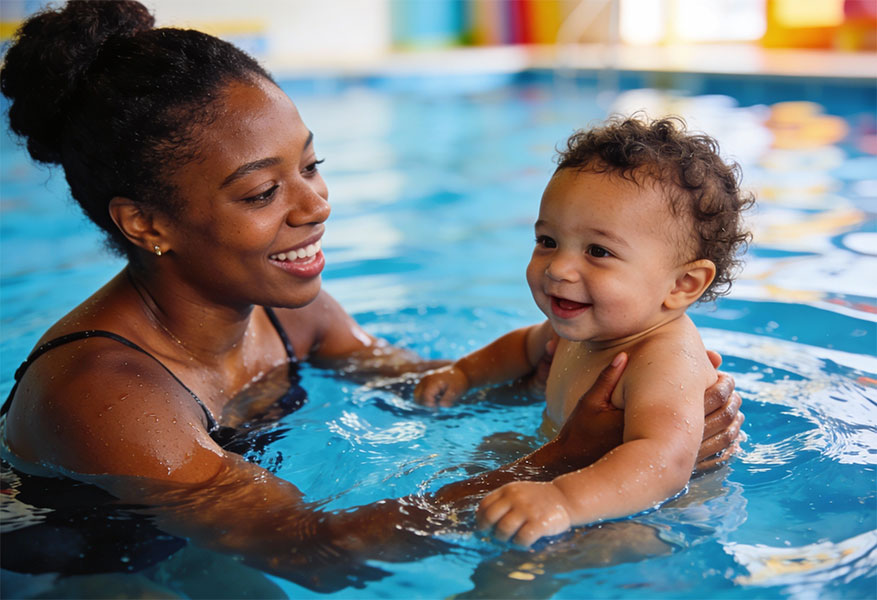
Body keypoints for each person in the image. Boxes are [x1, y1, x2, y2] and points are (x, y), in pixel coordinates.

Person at [0, 1, 744, 592]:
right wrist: (556, 462)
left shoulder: (289, 311)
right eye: (263, 190)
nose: (315, 204)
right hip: (76, 564)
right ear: (146, 223)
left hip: (208, 542)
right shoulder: (104, 396)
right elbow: (315, 557)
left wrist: (641, 413)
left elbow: (422, 390)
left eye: (310, 165)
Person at [415, 116, 754, 547]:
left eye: (598, 251)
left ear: (681, 285)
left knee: (522, 568)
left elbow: (662, 463)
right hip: (572, 474)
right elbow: (523, 346)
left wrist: (562, 499)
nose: (558, 268)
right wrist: (463, 375)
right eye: (548, 241)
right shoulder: (588, 326)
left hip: (650, 518)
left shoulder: (664, 358)